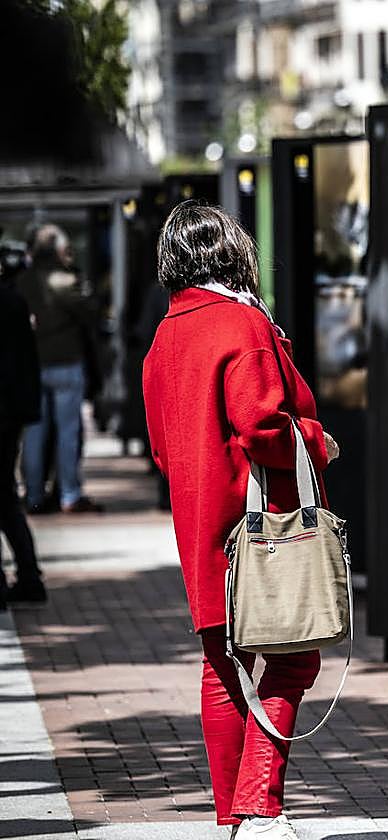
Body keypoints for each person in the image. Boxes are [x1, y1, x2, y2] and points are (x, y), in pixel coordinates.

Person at [142, 202, 339, 840]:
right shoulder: (243, 322)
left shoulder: (164, 337)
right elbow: (261, 424)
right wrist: (314, 440)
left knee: (221, 665)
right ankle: (259, 807)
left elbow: (163, 449)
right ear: (233, 253)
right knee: (291, 658)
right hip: (264, 527)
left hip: (201, 523)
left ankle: (234, 820)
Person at [15, 224, 103, 514]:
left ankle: (34, 493)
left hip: (32, 365)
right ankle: (69, 493)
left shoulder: (22, 282)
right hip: (67, 363)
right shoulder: (66, 280)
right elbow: (89, 311)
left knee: (34, 433)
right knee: (68, 431)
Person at [0, 245, 46, 607]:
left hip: (7, 410)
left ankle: (24, 576)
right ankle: (29, 575)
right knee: (4, 497)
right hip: (10, 413)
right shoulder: (15, 303)